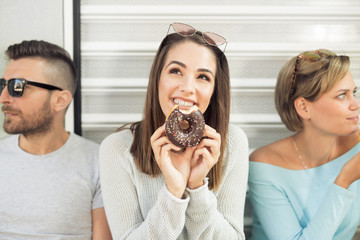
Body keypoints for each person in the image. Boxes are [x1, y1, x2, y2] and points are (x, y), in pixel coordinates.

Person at [99, 22, 249, 239]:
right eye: (176, 71)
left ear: (214, 89)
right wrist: (173, 192)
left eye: (203, 76)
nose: (188, 87)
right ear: (157, 78)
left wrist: (197, 187)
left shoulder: (231, 142)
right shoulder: (118, 148)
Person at [0, 40, 112, 240]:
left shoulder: (98, 163)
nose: (3, 98)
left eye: (17, 86)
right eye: (3, 85)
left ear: (60, 100)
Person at [248, 49, 360, 240]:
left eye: (354, 93)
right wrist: (344, 181)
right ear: (304, 107)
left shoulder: (356, 147)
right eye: (342, 95)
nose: (355, 104)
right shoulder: (265, 165)